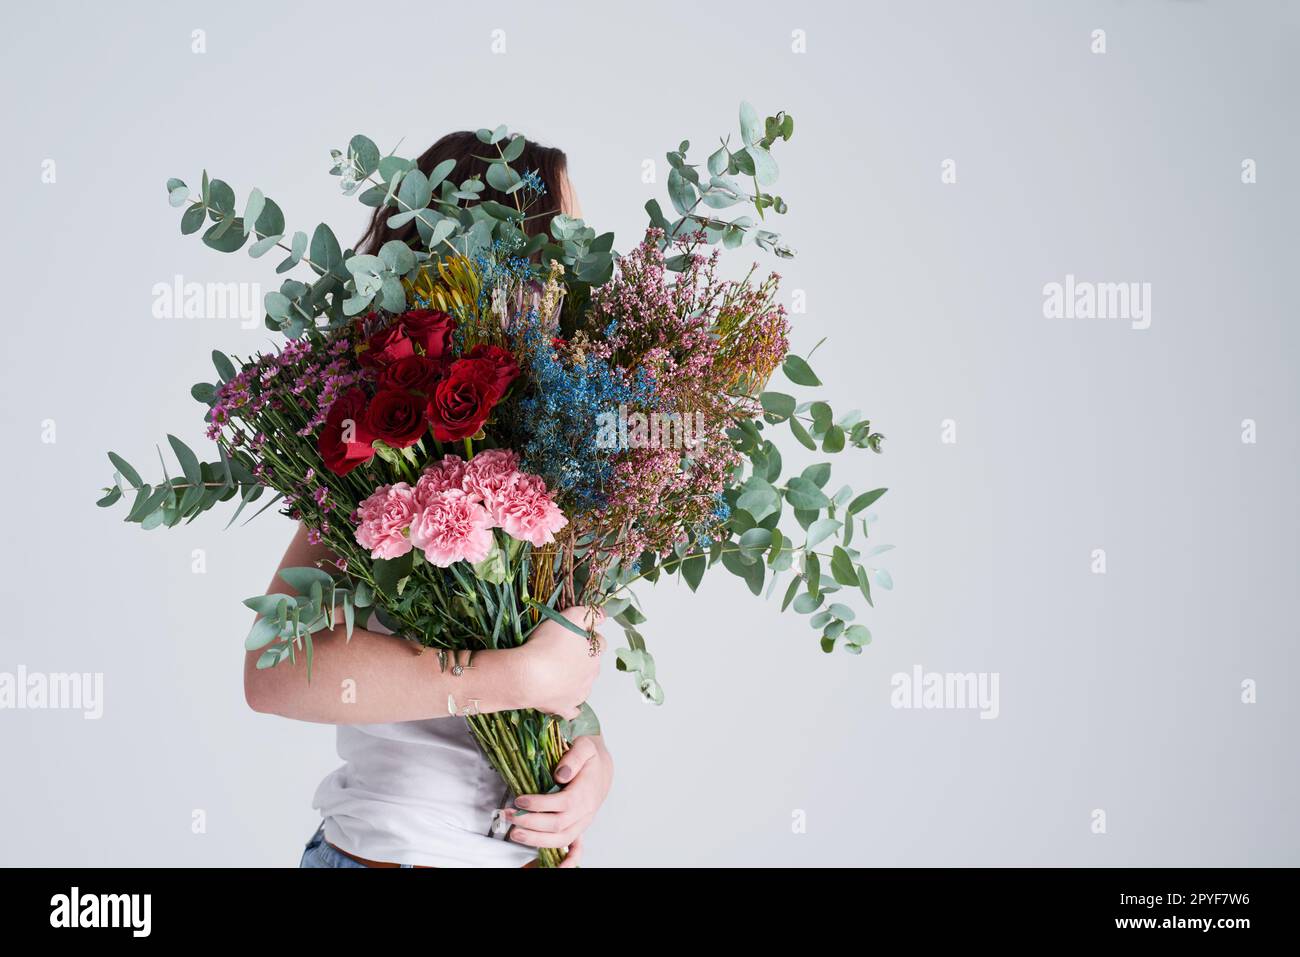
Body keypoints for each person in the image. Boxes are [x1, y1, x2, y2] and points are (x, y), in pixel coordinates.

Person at [244, 132, 614, 869]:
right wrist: (510, 677)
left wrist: (591, 763)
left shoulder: (566, 452)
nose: (587, 273)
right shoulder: (383, 448)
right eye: (567, 237)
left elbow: (560, 668)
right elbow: (272, 671)